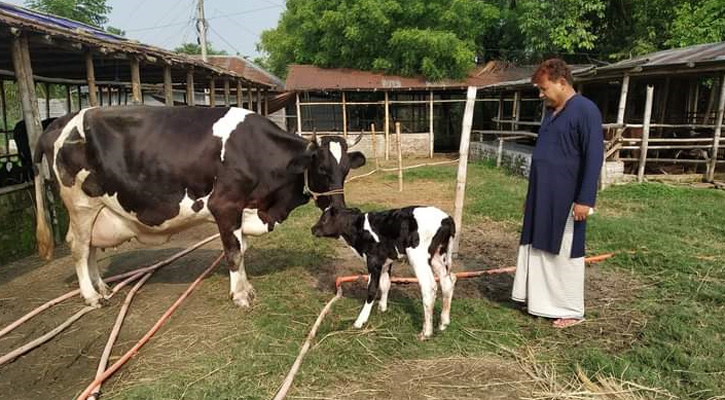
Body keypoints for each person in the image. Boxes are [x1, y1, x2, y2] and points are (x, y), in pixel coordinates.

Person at [511, 58, 603, 329]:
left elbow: (594, 156)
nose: (541, 94)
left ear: (562, 83)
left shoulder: (586, 110)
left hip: (566, 196)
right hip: (543, 193)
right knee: (538, 243)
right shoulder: (551, 112)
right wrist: (532, 197)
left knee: (564, 249)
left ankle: (570, 309)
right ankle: (540, 301)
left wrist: (585, 198)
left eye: (544, 88)